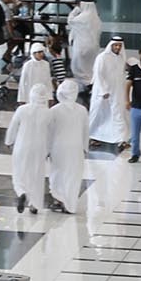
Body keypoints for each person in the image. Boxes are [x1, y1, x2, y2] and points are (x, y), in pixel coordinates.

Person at [5, 84, 57, 214]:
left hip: (22, 145)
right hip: (39, 147)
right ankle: (34, 204)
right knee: (36, 174)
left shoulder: (22, 109)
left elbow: (13, 127)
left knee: (19, 172)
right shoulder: (48, 113)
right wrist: (49, 149)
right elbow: (51, 133)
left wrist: (9, 141)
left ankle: (21, 192)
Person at [46, 79, 89, 214]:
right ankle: (70, 204)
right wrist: (85, 148)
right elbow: (86, 131)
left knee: (57, 173)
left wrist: (47, 149)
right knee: (73, 175)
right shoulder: (82, 110)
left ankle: (58, 199)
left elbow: (49, 131)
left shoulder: (54, 110)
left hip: (58, 147)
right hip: (76, 148)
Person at [86, 35, 127, 145]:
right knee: (97, 114)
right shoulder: (102, 57)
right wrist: (104, 90)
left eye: (119, 45)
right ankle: (91, 136)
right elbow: (98, 75)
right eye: (116, 45)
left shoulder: (121, 58)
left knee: (118, 114)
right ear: (111, 45)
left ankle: (121, 139)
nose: (118, 47)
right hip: (102, 92)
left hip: (117, 91)